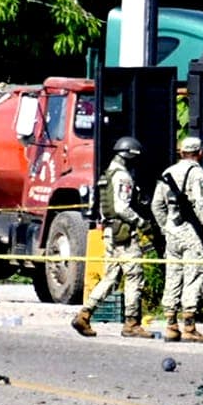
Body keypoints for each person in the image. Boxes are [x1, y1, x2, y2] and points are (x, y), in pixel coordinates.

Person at [71, 136, 153, 338]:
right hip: (124, 232)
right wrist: (142, 223)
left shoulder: (107, 175)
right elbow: (121, 208)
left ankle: (85, 313)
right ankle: (132, 323)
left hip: (109, 231)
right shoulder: (123, 177)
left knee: (111, 277)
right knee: (134, 276)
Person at [151, 136, 203, 343]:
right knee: (194, 275)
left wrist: (166, 227)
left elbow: (156, 205)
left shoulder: (167, 173)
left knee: (173, 274)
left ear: (181, 152)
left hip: (172, 233)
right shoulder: (197, 173)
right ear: (200, 153)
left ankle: (170, 324)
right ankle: (189, 326)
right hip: (193, 233)